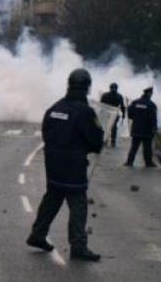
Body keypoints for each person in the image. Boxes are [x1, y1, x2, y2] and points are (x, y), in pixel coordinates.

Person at [26, 69, 104, 262]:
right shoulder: (85, 112)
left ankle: (38, 234)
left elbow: (46, 133)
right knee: (78, 204)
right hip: (73, 165)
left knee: (53, 197)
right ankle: (78, 245)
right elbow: (95, 141)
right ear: (87, 87)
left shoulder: (55, 108)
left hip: (53, 162)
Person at [125, 87, 158, 167]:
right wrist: (154, 128)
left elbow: (129, 115)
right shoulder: (151, 105)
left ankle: (129, 162)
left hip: (136, 128)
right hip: (147, 130)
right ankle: (148, 163)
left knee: (134, 146)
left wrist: (136, 118)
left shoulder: (135, 102)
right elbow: (153, 118)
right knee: (147, 147)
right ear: (149, 94)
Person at [100, 83, 126, 147]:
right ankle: (113, 141)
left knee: (105, 127)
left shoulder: (105, 95)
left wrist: (101, 113)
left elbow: (101, 104)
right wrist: (123, 115)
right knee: (114, 127)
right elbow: (122, 106)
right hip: (114, 114)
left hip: (106, 113)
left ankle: (103, 140)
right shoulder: (119, 96)